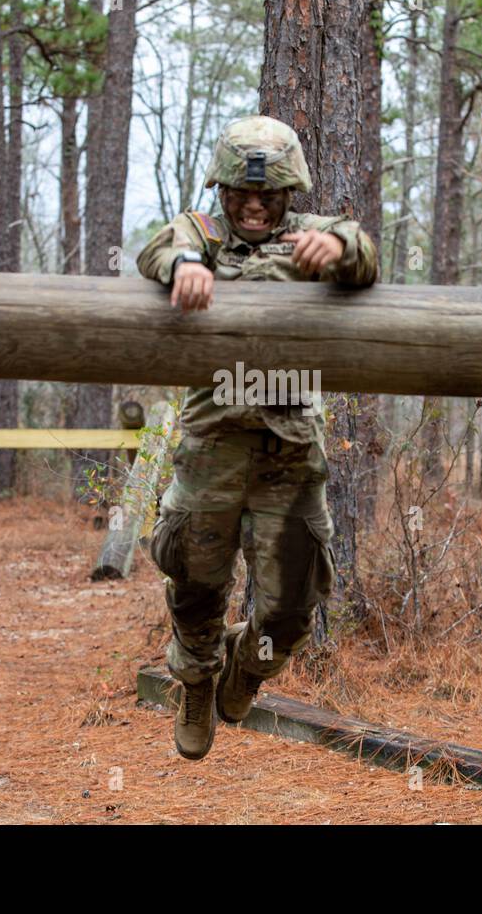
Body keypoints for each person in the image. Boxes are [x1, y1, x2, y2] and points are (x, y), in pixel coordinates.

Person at [135, 115, 379, 760]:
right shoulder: (201, 233)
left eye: (266, 195)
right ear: (221, 190)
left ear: (287, 194)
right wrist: (185, 263)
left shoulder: (311, 237)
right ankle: (195, 679)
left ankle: (247, 666)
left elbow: (363, 254)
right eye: (240, 194)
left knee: (292, 608)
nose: (251, 205)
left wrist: (343, 250)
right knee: (195, 583)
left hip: (289, 456)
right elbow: (159, 246)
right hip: (213, 446)